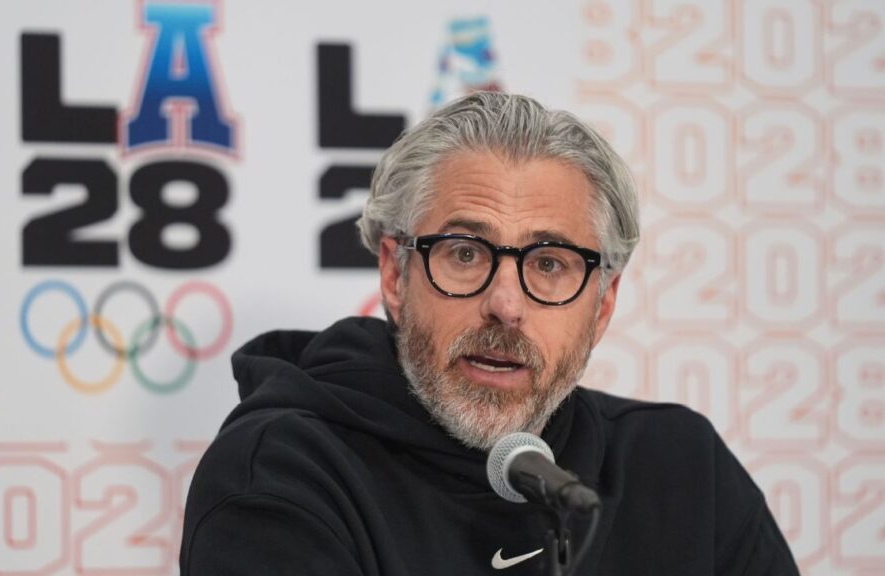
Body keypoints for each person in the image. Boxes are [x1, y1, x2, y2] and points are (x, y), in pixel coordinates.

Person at [179, 92, 800, 575]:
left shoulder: (679, 466)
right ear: (396, 273)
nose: (505, 305)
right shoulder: (284, 475)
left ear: (603, 305)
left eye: (550, 264)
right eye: (466, 254)